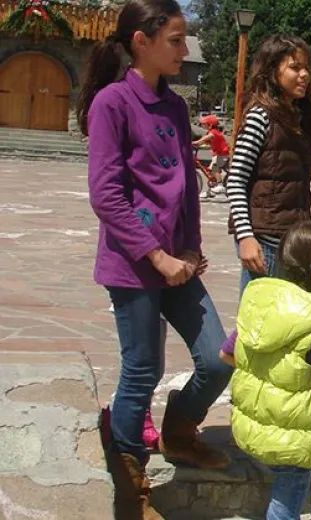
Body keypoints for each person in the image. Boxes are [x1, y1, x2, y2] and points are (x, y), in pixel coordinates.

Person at [79, 1, 233, 517]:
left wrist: (190, 247)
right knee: (142, 371)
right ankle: (131, 485)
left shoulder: (175, 107)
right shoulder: (111, 103)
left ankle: (179, 433)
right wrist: (157, 256)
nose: (185, 49)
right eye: (175, 39)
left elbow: (183, 185)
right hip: (133, 263)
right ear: (141, 42)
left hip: (178, 264)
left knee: (217, 358)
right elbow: (106, 194)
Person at [219, 221, 311, 520]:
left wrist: (268, 381)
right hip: (293, 438)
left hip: (254, 427)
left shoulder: (262, 303)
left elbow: (226, 353)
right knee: (289, 492)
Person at [226, 35, 311, 296]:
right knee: (259, 326)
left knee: (287, 325)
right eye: (294, 67)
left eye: (306, 68)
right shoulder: (260, 116)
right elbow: (235, 179)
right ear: (272, 71)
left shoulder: (298, 120)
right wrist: (245, 237)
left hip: (291, 240)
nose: (304, 75)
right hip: (263, 241)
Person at [192, 114, 230, 199]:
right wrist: (199, 144)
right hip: (217, 154)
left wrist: (196, 142)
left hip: (222, 154)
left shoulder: (214, 132)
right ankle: (211, 191)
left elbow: (204, 139)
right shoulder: (210, 132)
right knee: (210, 174)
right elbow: (207, 143)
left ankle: (220, 185)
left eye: (204, 124)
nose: (203, 126)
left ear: (210, 125)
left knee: (215, 167)